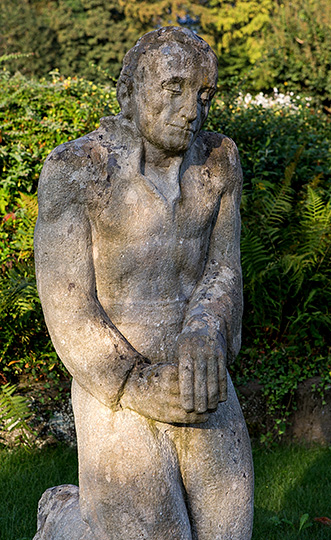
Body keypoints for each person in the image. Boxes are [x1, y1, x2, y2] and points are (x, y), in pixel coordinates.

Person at [34, 26, 254, 540]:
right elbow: (68, 306)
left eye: (203, 95)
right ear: (128, 93)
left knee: (229, 532)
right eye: (173, 88)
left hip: (197, 367)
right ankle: (65, 520)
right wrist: (134, 384)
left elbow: (224, 268)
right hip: (113, 380)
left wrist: (207, 330)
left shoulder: (218, 163)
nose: (191, 110)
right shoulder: (78, 171)